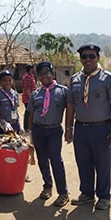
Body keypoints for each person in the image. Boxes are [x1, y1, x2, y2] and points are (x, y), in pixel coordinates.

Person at [65, 43, 111, 210]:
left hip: (102, 128)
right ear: (80, 59)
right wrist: (68, 128)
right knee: (83, 163)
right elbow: (70, 105)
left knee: (103, 164)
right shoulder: (75, 79)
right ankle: (87, 194)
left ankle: (104, 197)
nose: (88, 59)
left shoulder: (108, 79)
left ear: (97, 58)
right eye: (84, 56)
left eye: (92, 56)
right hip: (81, 129)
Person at [27, 61, 69, 207]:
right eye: (41, 74)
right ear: (38, 77)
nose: (45, 76)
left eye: (47, 73)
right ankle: (47, 186)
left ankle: (63, 193)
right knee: (42, 159)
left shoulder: (63, 91)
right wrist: (30, 132)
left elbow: (70, 110)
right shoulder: (35, 94)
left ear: (53, 74)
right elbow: (31, 114)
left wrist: (69, 128)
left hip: (54, 130)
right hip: (39, 130)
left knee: (56, 160)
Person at [0, 70, 24, 135]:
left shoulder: (15, 94)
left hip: (15, 124)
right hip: (3, 127)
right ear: (0, 82)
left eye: (10, 80)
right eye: (4, 80)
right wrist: (3, 122)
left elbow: (15, 110)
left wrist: (19, 125)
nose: (8, 82)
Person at [22, 64, 37, 132]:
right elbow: (27, 88)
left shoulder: (31, 76)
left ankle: (30, 126)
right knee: (28, 112)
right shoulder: (27, 77)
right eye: (32, 68)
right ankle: (26, 127)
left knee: (31, 112)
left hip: (31, 96)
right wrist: (31, 98)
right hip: (28, 98)